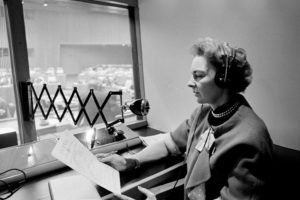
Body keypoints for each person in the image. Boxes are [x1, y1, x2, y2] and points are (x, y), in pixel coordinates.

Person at [98, 37, 273, 200]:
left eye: (198, 75)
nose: (189, 82)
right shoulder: (202, 114)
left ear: (224, 79)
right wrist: (130, 162)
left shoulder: (250, 137)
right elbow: (169, 143)